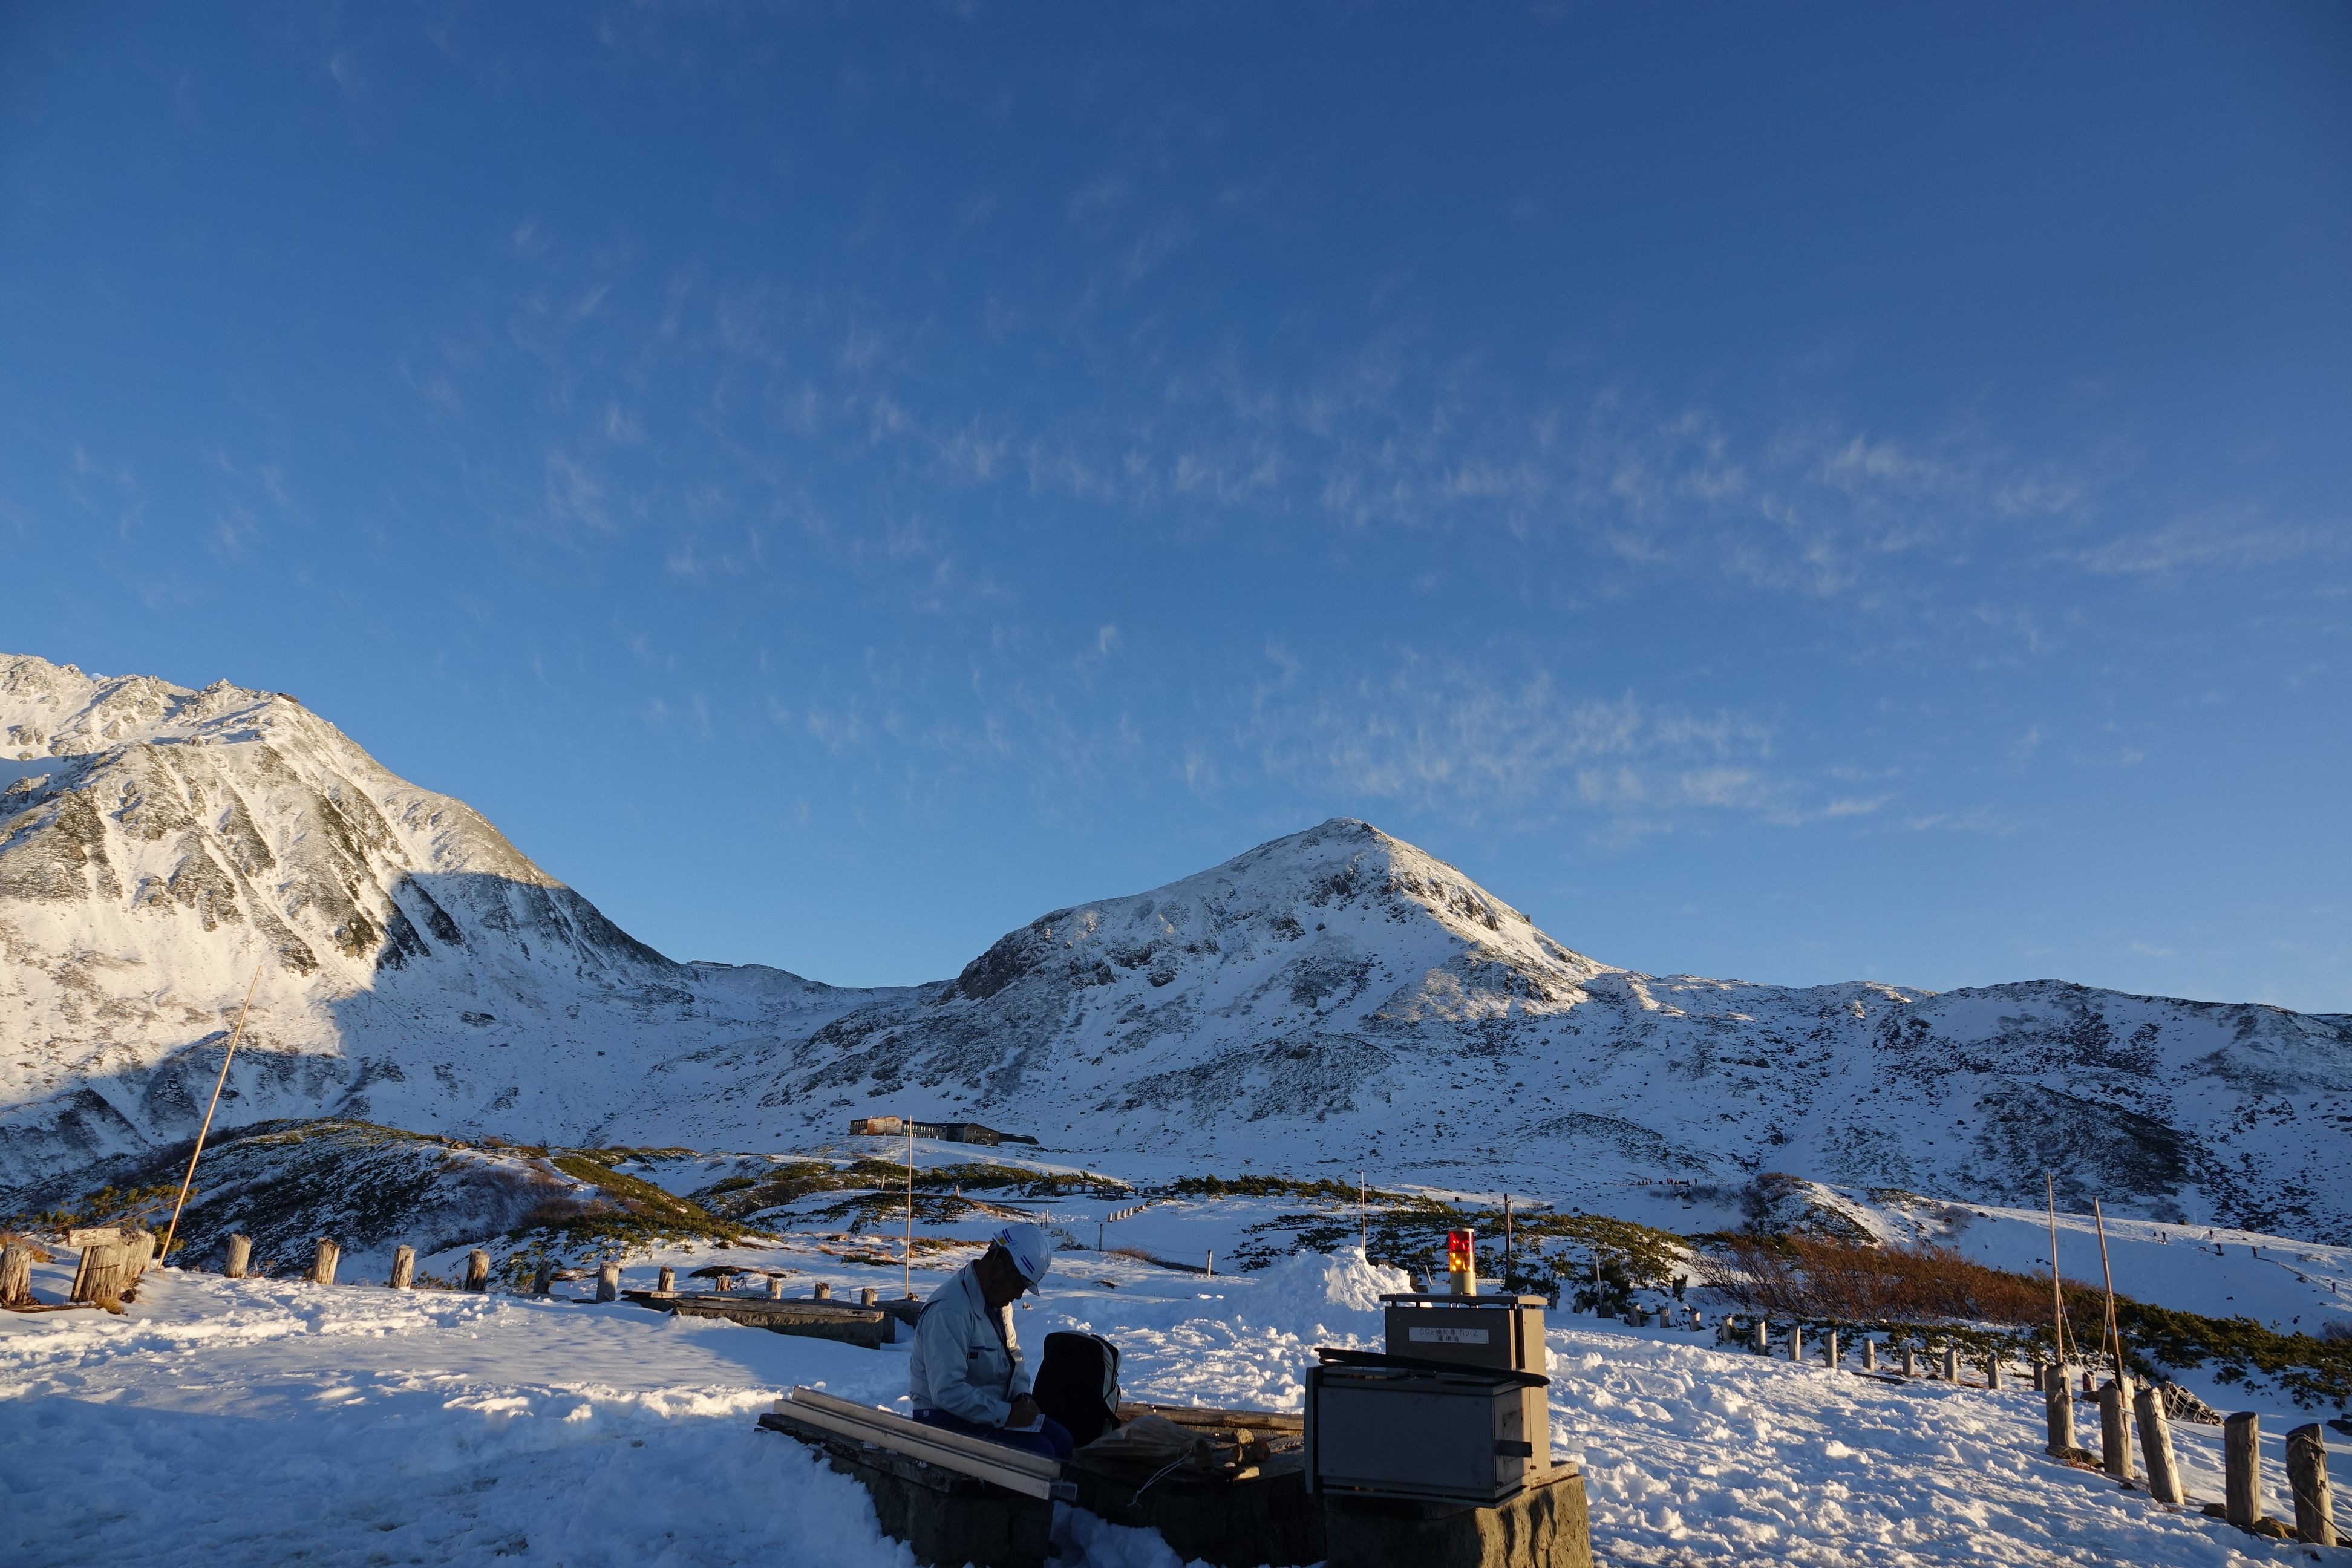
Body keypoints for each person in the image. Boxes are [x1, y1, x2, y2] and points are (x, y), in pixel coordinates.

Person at [908, 1222, 1073, 1461]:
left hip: (987, 1412)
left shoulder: (998, 1301)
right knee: (1040, 1456)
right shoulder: (949, 1311)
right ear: (997, 1268)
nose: (1019, 1296)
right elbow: (947, 1391)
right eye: (1019, 1286)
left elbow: (1013, 1354)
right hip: (943, 1419)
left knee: (1062, 1442)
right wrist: (1007, 1414)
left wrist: (1021, 1394)